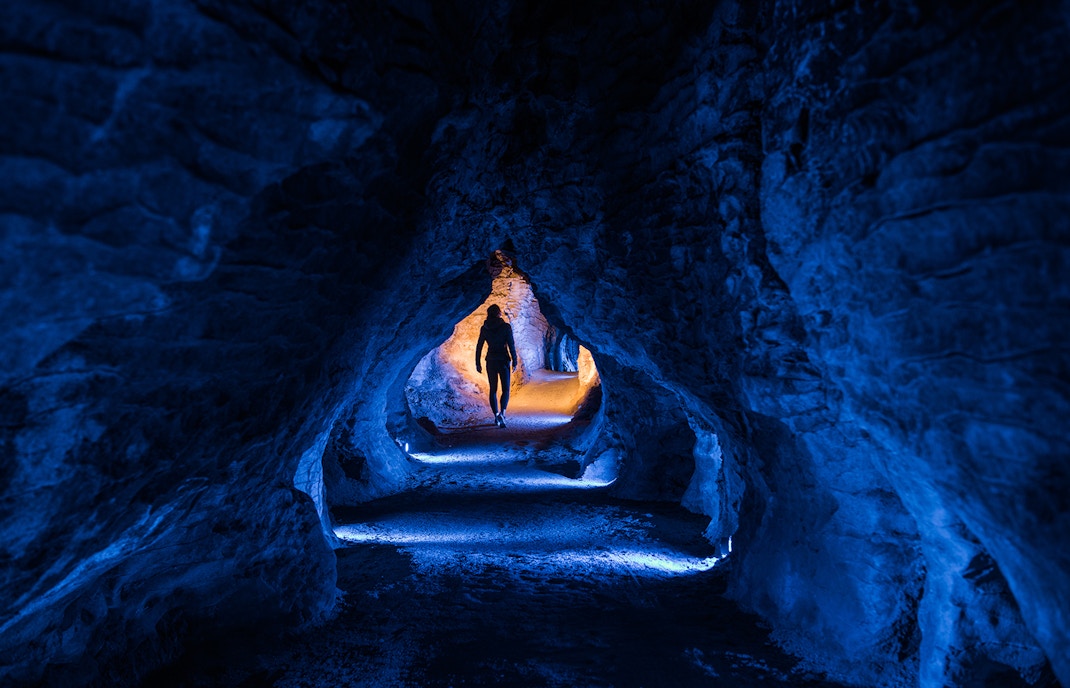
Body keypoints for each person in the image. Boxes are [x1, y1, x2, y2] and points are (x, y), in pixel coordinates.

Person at [475, 304, 518, 427]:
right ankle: (503, 414)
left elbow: (479, 346)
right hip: (503, 360)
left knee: (493, 389)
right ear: (499, 313)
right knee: (505, 388)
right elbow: (511, 345)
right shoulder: (505, 327)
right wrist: (515, 361)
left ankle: (496, 415)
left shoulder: (485, 328)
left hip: (491, 361)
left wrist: (477, 363)